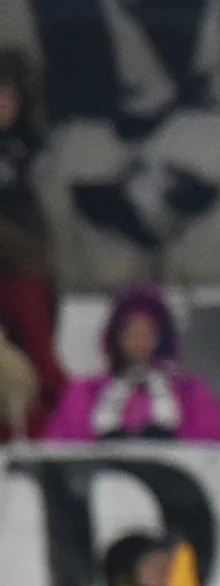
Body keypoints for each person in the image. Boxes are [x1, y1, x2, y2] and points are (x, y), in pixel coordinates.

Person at [43, 285, 220, 442]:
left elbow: (211, 444)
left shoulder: (189, 392)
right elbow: (59, 445)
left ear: (161, 338)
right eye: (131, 334)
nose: (139, 342)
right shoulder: (86, 393)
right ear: (117, 337)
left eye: (147, 334)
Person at [0, 46, 62, 438]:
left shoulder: (26, 153)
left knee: (39, 367)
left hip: (23, 274)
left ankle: (58, 435)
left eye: (8, 95)